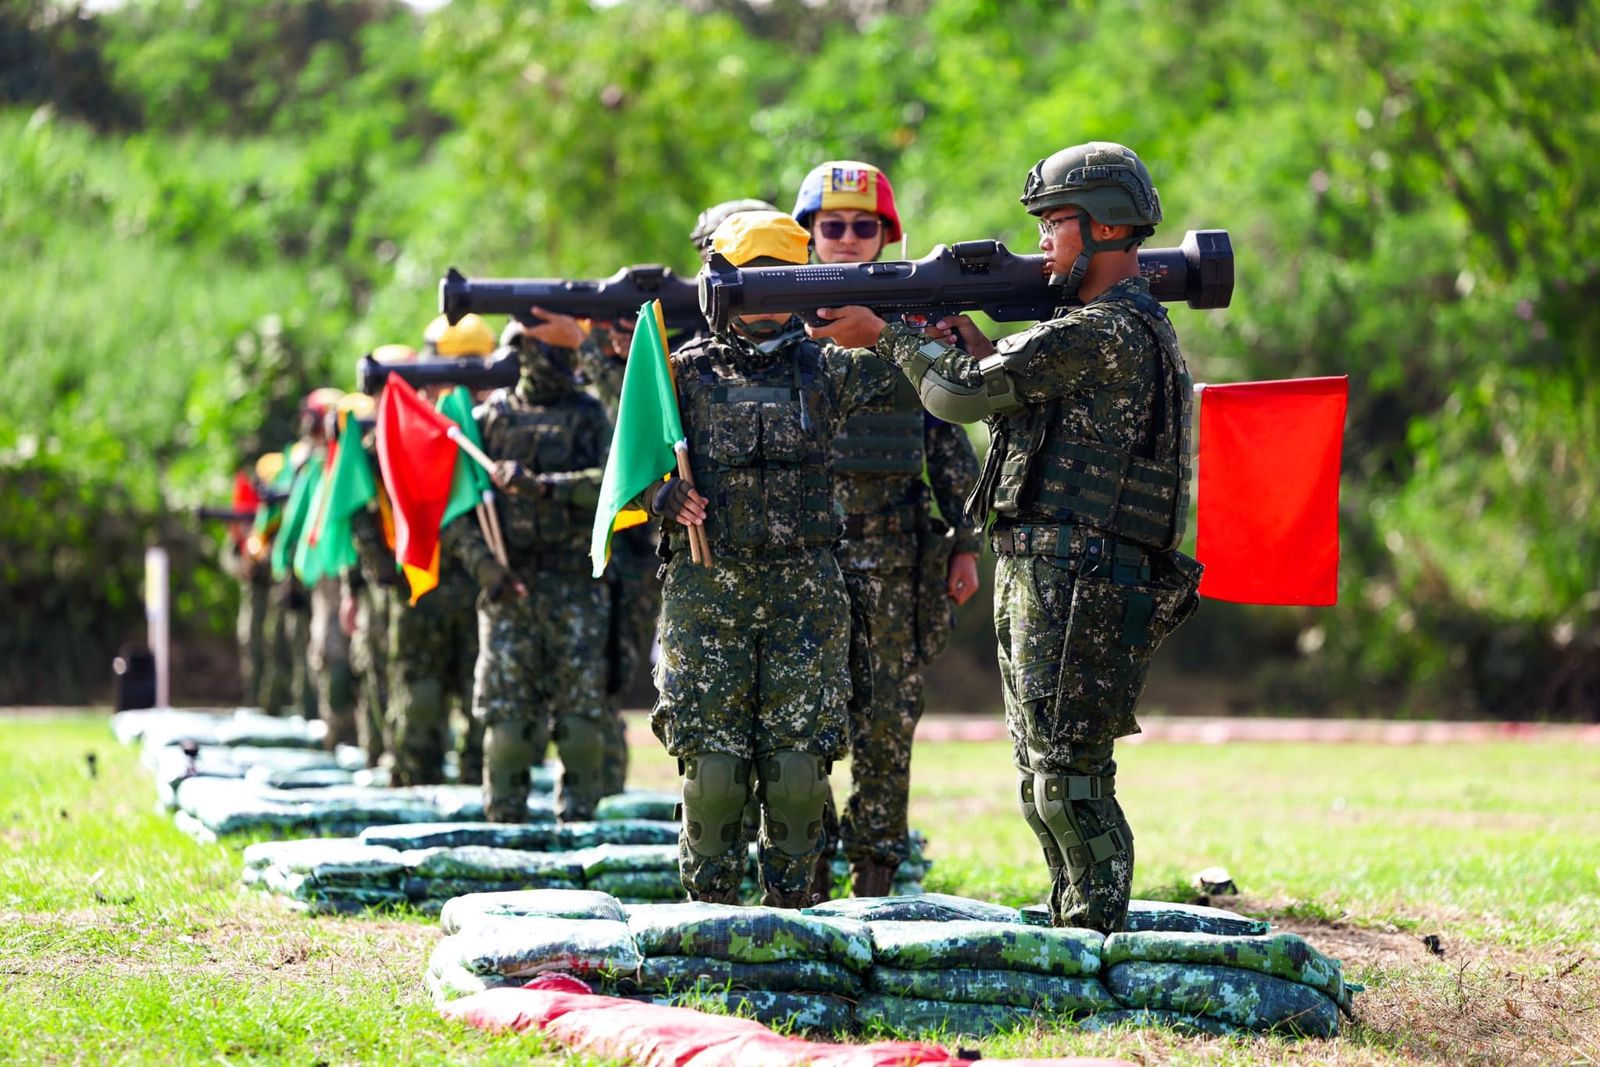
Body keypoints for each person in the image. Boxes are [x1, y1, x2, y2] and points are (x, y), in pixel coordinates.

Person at [806, 142, 1204, 933]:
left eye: (1056, 224)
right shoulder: (1098, 331)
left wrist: (886, 336)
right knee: (1046, 770)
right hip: (1060, 567)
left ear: (1107, 228)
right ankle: (1078, 919)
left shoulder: (1105, 329)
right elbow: (1023, 400)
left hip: (1081, 574)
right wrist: (983, 349)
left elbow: (958, 398)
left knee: (1067, 774)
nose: (1043, 244)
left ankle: (1096, 932)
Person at [643, 210, 902, 908]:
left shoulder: (830, 366)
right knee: (716, 776)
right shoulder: (677, 372)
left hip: (805, 595)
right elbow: (630, 466)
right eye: (747, 279)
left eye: (775, 278)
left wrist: (899, 317)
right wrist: (666, 496)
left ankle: (792, 921)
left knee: (796, 774)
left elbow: (935, 379)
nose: (760, 296)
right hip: (707, 593)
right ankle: (709, 922)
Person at [791, 160, 983, 898]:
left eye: (861, 227)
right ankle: (800, 876)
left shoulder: (914, 331)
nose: (845, 239)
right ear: (808, 235)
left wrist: (964, 540)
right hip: (801, 552)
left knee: (886, 716)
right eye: (830, 226)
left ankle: (875, 876)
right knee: (798, 715)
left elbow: (945, 439)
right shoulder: (776, 322)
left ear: (885, 236)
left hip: (895, 553)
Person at [443, 310, 613, 823]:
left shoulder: (591, 415)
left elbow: (616, 484)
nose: (557, 364)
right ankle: (505, 825)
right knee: (508, 725)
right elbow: (457, 513)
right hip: (508, 590)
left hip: (577, 585)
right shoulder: (489, 420)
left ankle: (581, 826)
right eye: (547, 352)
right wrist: (485, 570)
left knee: (582, 723)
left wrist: (543, 486)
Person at [355, 328, 485, 785]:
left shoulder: (479, 428)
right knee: (420, 698)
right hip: (417, 585)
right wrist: (387, 574)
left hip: (473, 587)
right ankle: (415, 785)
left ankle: (475, 786)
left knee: (478, 696)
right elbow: (362, 512)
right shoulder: (385, 444)